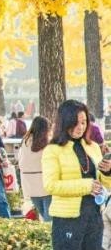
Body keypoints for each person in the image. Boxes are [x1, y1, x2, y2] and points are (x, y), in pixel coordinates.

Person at [43, 100, 111, 250]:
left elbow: (103, 184)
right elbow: (50, 185)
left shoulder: (93, 147)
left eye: (83, 122)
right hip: (67, 219)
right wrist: (86, 186)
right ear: (64, 122)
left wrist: (107, 172)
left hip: (94, 216)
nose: (80, 127)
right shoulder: (52, 150)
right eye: (75, 123)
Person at [17, 115, 51, 222]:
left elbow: (20, 161)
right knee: (48, 215)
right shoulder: (47, 142)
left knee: (42, 212)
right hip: (44, 181)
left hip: (29, 183)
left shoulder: (25, 141)